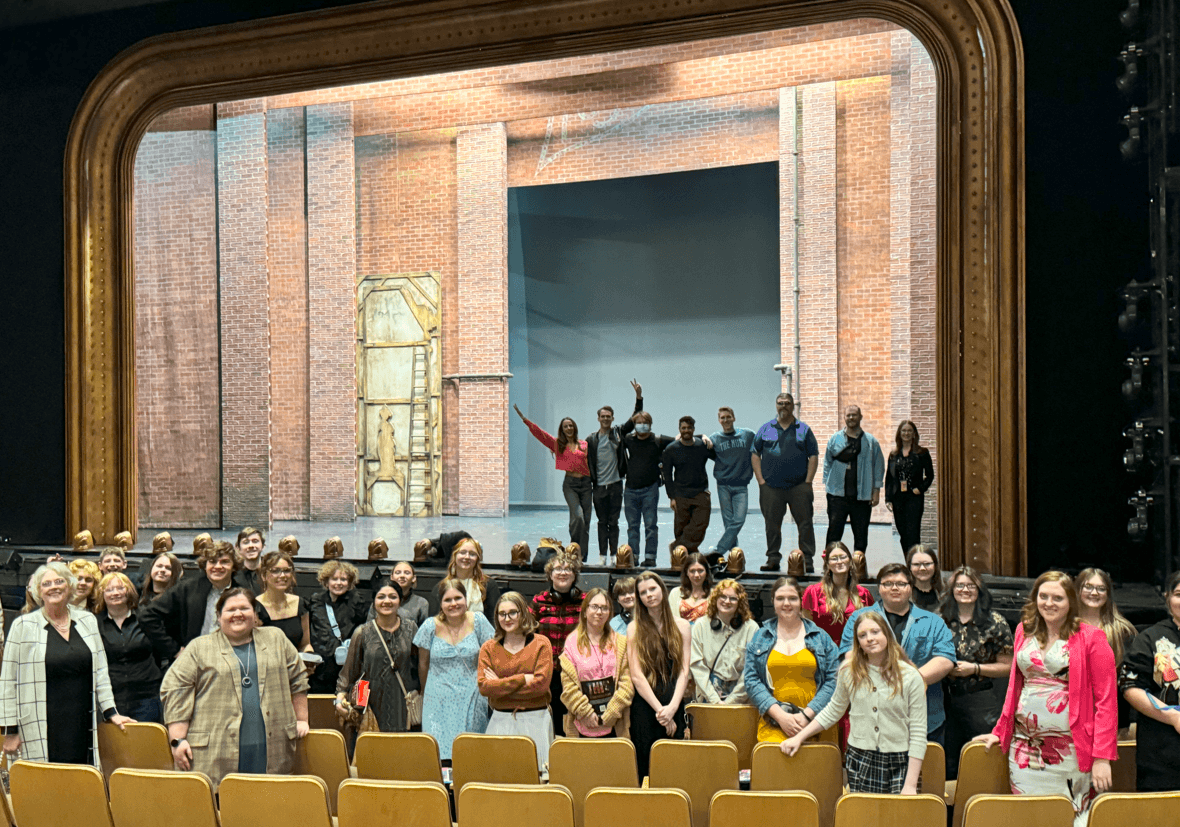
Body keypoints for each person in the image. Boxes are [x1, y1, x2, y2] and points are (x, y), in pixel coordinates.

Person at [975, 571, 1117, 827]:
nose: (1049, 603)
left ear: (1071, 602)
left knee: (1071, 819)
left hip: (1072, 751)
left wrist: (1102, 757)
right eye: (1044, 596)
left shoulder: (1092, 637)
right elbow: (1013, 688)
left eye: (1058, 598)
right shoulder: (1023, 631)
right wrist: (1000, 730)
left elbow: (1106, 702)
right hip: (1024, 748)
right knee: (1029, 818)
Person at [161, 588, 309, 790]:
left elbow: (298, 679)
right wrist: (177, 740)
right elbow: (176, 690)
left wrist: (302, 719)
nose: (238, 614)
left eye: (244, 608)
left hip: (270, 746)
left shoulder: (276, 638)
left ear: (255, 614)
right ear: (219, 616)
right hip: (214, 750)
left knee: (265, 805)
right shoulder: (199, 647)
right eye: (230, 609)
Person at [0, 562, 134, 766]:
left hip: (81, 722)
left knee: (81, 784)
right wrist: (9, 731)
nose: (54, 587)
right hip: (37, 724)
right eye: (46, 584)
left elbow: (101, 672)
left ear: (69, 586)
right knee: (43, 787)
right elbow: (8, 680)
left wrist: (111, 712)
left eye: (59, 581)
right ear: (38, 591)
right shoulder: (22, 626)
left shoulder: (87, 620)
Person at [783, 611, 927, 795]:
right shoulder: (848, 672)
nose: (870, 639)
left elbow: (918, 730)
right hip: (861, 757)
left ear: (887, 635)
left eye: (875, 632)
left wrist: (910, 785)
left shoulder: (910, 676)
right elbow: (833, 711)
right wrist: (799, 737)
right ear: (857, 642)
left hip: (900, 761)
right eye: (862, 635)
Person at [841, 563, 955, 742]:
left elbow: (945, 659)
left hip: (925, 720)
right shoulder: (858, 619)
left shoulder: (934, 621)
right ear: (879, 588)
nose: (894, 588)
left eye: (901, 584)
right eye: (887, 583)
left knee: (925, 769)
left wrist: (908, 682)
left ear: (911, 588)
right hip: (873, 721)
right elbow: (850, 656)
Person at [939, 566, 1013, 779]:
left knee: (983, 758)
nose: (965, 590)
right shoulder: (941, 618)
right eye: (960, 585)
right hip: (944, 700)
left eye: (971, 585)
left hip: (981, 701)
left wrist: (976, 668)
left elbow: (1008, 666)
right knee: (949, 761)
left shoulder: (995, 622)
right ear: (952, 589)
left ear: (979, 590)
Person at [744, 576, 839, 743]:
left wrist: (807, 716)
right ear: (772, 601)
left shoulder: (821, 638)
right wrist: (781, 716)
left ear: (801, 601)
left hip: (817, 723)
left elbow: (833, 680)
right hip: (774, 723)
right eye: (780, 598)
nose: (786, 603)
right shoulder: (760, 637)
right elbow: (751, 680)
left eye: (792, 598)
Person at [414, 579, 495, 762]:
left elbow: (492, 655)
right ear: (440, 603)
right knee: (438, 754)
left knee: (471, 754)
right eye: (447, 600)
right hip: (437, 700)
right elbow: (423, 664)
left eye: (458, 598)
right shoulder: (429, 626)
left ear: (466, 600)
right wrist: (425, 693)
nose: (453, 604)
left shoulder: (478, 621)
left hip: (472, 697)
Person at [478, 592, 554, 770]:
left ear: (523, 613)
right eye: (502, 614)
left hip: (536, 719)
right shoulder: (489, 648)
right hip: (500, 721)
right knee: (499, 777)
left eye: (513, 612)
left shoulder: (541, 643)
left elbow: (540, 686)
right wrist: (523, 679)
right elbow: (484, 687)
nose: (507, 618)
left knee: (538, 778)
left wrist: (500, 683)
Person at [627, 571, 692, 779]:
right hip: (647, 707)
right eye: (643, 592)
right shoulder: (634, 628)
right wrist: (662, 713)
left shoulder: (682, 626)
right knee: (646, 769)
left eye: (653, 589)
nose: (649, 595)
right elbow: (636, 675)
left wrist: (672, 708)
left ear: (662, 590)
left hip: (674, 701)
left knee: (674, 769)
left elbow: (684, 671)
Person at [1119, 570, 1180, 791]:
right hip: (1162, 753)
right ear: (1167, 598)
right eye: (1179, 594)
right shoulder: (1150, 638)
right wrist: (1173, 717)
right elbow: (1129, 687)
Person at [141, 540, 250, 663]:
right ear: (205, 565)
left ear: (234, 566)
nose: (218, 566)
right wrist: (174, 649)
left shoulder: (242, 593)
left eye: (224, 562)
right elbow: (147, 616)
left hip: (231, 660)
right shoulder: (186, 588)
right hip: (193, 661)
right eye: (212, 561)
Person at [336, 581, 419, 733]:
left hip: (403, 702)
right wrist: (339, 699)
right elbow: (349, 673)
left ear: (400, 601)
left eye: (392, 597)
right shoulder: (362, 632)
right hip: (370, 704)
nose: (387, 601)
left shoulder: (411, 629)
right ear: (374, 602)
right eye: (381, 597)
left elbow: (420, 666)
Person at [751, 392, 819, 573]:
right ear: (776, 406)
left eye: (787, 403)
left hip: (799, 486)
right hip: (771, 487)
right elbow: (755, 454)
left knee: (805, 523)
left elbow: (813, 455)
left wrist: (808, 482)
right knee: (772, 525)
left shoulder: (803, 429)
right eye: (780, 403)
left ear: (792, 406)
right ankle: (773, 558)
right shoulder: (766, 428)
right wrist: (761, 481)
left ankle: (807, 559)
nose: (783, 406)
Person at [515, 404, 592, 554]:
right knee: (578, 517)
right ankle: (574, 548)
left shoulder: (584, 444)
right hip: (570, 485)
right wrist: (525, 420)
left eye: (571, 426)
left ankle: (582, 557)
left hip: (586, 484)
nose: (568, 428)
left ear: (574, 428)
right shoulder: (558, 444)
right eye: (565, 426)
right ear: (562, 429)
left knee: (586, 522)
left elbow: (593, 462)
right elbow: (540, 435)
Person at [560, 587, 634, 737]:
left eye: (604, 608)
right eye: (594, 607)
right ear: (585, 611)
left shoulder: (621, 642)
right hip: (581, 723)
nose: (599, 612)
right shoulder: (571, 642)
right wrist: (585, 713)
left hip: (614, 724)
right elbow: (568, 686)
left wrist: (612, 712)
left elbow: (627, 683)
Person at [586, 380, 643, 565]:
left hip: (616, 485)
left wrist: (639, 397)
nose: (605, 419)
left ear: (612, 418)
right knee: (602, 523)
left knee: (614, 522)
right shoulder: (591, 440)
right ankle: (602, 556)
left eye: (608, 416)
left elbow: (634, 420)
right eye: (603, 416)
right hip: (599, 487)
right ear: (598, 418)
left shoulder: (618, 433)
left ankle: (613, 556)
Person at [95, 572, 164, 724]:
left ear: (129, 591)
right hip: (112, 699)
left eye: (120, 588)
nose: (115, 593)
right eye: (109, 589)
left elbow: (160, 652)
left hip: (146, 696)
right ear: (102, 594)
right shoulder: (95, 623)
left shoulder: (146, 618)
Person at [1076, 566, 1136, 737]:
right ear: (1077, 589)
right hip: (1069, 716)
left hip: (1111, 720)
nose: (1094, 593)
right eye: (1088, 587)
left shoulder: (1122, 631)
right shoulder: (1064, 627)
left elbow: (1128, 681)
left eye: (1101, 588)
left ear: (1108, 594)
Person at [531, 553, 586, 737]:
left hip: (577, 674)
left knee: (575, 722)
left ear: (575, 574)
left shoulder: (585, 601)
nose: (563, 573)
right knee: (551, 725)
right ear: (550, 574)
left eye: (568, 569)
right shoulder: (539, 601)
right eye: (558, 569)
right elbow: (527, 633)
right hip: (549, 673)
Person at [823, 405, 885, 561]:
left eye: (854, 415)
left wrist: (876, 490)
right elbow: (827, 463)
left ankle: (859, 564)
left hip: (862, 496)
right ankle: (829, 563)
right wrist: (828, 486)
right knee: (834, 532)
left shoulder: (871, 442)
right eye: (848, 415)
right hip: (837, 495)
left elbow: (878, 465)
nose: (851, 418)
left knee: (861, 533)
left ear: (860, 417)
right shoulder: (835, 439)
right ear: (844, 417)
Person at [621, 412, 677, 568]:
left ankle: (650, 557)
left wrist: (704, 437)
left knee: (650, 525)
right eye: (638, 422)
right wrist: (639, 400)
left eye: (645, 422)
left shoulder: (658, 440)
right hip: (630, 489)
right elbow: (622, 430)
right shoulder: (628, 440)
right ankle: (634, 557)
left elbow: (680, 440)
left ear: (650, 424)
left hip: (650, 489)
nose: (642, 425)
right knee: (633, 526)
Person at [690, 580, 759, 704]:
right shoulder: (700, 625)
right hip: (708, 695)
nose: (727, 601)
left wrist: (732, 701)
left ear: (740, 603)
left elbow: (751, 669)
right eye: (723, 596)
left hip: (741, 698)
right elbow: (697, 666)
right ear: (715, 598)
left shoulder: (751, 628)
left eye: (733, 599)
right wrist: (714, 699)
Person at [308, 559, 368, 695]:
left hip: (349, 666)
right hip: (321, 668)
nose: (339, 583)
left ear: (350, 582)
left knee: (353, 707)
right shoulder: (316, 601)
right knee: (321, 708)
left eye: (343, 579)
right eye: (334, 579)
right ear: (326, 581)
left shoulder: (357, 601)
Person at [661, 416, 716, 554]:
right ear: (679, 429)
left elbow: (718, 457)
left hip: (701, 493)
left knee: (701, 524)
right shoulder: (671, 449)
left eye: (689, 428)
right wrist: (671, 497)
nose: (686, 430)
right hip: (680, 494)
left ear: (693, 429)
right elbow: (667, 476)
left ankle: (677, 548)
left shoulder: (702, 446)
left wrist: (705, 437)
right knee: (680, 528)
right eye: (683, 428)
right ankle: (685, 556)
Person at [801, 542, 874, 643]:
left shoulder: (864, 594)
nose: (839, 562)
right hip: (824, 652)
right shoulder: (813, 592)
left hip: (854, 653)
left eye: (843, 557)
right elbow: (806, 628)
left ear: (850, 561)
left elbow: (871, 627)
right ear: (827, 564)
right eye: (834, 558)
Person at [708, 406, 756, 555]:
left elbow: (761, 444)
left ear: (734, 418)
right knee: (728, 523)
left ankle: (719, 551)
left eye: (728, 417)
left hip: (741, 485)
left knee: (739, 520)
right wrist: (703, 436)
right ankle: (734, 556)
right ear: (719, 420)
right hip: (723, 485)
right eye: (722, 417)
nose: (726, 420)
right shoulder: (714, 439)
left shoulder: (747, 435)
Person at [885, 420, 934, 554]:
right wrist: (888, 499)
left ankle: (915, 565)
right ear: (899, 434)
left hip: (914, 498)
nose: (906, 433)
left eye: (909, 431)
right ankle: (909, 562)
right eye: (903, 431)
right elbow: (889, 478)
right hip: (898, 498)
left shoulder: (922, 453)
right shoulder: (894, 454)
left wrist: (921, 488)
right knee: (903, 535)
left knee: (913, 534)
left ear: (914, 434)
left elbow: (930, 476)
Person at [255, 551, 310, 651]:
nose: (283, 575)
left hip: (296, 664)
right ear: (264, 576)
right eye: (275, 571)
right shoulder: (254, 607)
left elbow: (305, 644)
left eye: (287, 570)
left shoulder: (300, 603)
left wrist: (310, 658)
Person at [446, 537, 501, 621]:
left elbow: (494, 621)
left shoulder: (489, 585)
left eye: (472, 554)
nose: (467, 557)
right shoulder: (442, 587)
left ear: (477, 559)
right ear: (455, 556)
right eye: (462, 552)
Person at [668, 552, 712, 624]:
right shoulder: (675, 593)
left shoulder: (714, 595)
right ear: (687, 573)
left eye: (700, 570)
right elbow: (671, 622)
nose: (696, 575)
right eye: (692, 571)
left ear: (706, 572)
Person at [392, 561, 431, 628]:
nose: (402, 576)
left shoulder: (421, 603)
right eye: (398, 573)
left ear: (413, 578)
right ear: (392, 577)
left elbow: (424, 633)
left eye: (407, 573)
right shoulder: (380, 601)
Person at [907, 545, 943, 611]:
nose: (922, 568)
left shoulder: (946, 594)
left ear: (935, 565)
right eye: (916, 564)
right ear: (910, 567)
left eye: (927, 564)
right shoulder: (903, 596)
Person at [236, 526, 265, 594]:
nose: (251, 546)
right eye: (246, 542)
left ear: (263, 546)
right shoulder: (233, 574)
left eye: (255, 541)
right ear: (238, 548)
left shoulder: (271, 570)